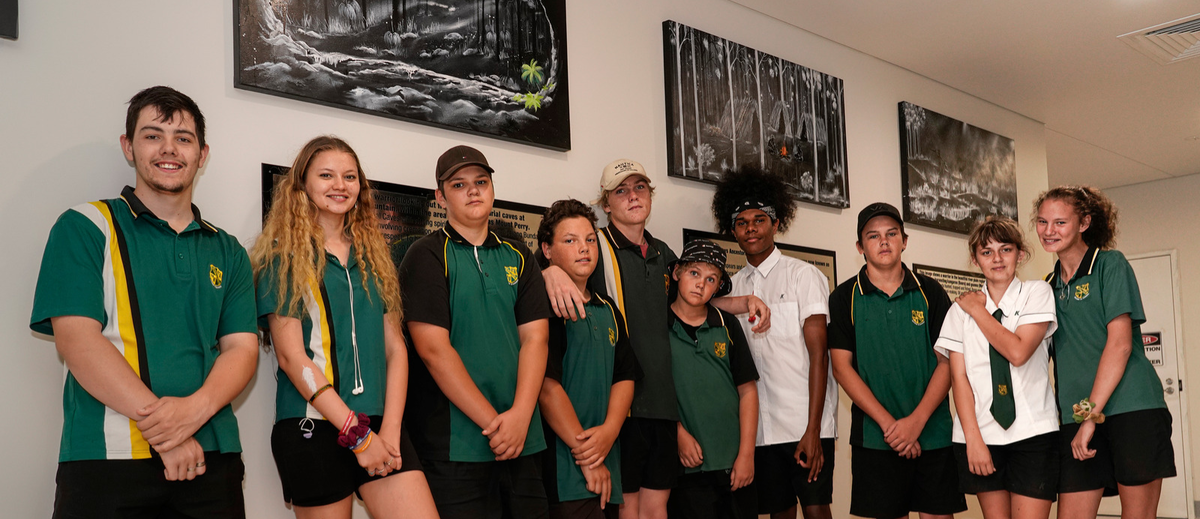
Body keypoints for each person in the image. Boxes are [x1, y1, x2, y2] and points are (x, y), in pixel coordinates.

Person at [30, 86, 259, 518]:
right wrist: (169, 434)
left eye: (183, 138)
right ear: (128, 147)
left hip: (213, 459)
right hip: (105, 460)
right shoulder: (84, 226)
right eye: (153, 135)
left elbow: (242, 350)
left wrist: (194, 412)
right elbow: (77, 341)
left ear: (202, 154)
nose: (168, 149)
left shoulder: (229, 251)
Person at [540, 159, 769, 519]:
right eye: (621, 190)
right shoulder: (594, 246)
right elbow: (556, 265)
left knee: (656, 507)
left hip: (663, 405)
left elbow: (692, 296)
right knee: (625, 506)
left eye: (640, 188)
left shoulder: (664, 253)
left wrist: (743, 302)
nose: (633, 196)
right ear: (606, 203)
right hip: (622, 406)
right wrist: (549, 271)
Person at [250, 136, 439, 518]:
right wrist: (357, 436)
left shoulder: (374, 257)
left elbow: (395, 350)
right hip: (313, 426)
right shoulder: (281, 259)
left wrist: (389, 431)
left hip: (382, 423)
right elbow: (291, 357)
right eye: (327, 175)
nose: (340, 185)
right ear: (302, 183)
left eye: (350, 176)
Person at [399, 145, 553, 519]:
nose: (473, 191)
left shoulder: (518, 256)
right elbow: (433, 351)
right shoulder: (426, 255)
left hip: (523, 440)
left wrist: (518, 417)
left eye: (481, 182)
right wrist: (494, 425)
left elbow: (536, 339)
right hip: (455, 446)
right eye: (459, 184)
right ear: (441, 196)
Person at [1034, 186, 1174, 519]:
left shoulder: (1109, 264)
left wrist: (1089, 417)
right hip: (1077, 416)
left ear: (1084, 223)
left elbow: (1120, 344)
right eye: (1042, 222)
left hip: (1131, 409)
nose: (1048, 231)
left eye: (1059, 222)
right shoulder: (1047, 285)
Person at [712, 166, 837, 519]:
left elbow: (819, 357)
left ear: (776, 223)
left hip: (805, 424)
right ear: (732, 229)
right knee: (779, 514)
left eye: (759, 219)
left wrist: (813, 430)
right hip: (761, 432)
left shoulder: (804, 275)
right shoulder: (733, 288)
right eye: (742, 222)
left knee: (816, 512)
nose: (751, 228)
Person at [828, 202, 966, 519]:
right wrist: (892, 428)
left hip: (933, 433)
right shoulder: (843, 296)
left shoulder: (930, 291)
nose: (884, 241)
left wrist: (915, 424)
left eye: (892, 233)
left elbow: (947, 363)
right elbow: (841, 368)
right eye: (873, 236)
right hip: (876, 438)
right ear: (860, 247)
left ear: (904, 240)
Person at [934, 216, 1059, 519]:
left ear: (1021, 253)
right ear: (975, 260)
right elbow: (959, 379)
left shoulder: (1037, 293)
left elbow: (1018, 352)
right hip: (981, 436)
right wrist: (973, 439)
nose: (997, 259)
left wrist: (978, 310)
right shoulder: (958, 311)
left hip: (1033, 432)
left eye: (1005, 249)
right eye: (986, 252)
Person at [536, 199, 642, 519]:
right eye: (570, 241)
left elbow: (625, 375)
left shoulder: (608, 308)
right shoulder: (544, 305)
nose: (584, 248)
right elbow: (546, 386)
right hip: (564, 469)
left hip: (606, 464)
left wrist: (610, 430)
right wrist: (589, 459)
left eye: (590, 240)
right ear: (547, 249)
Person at [665, 240, 760, 519]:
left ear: (718, 286)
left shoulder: (727, 324)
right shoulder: (658, 326)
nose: (700, 285)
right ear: (677, 273)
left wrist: (746, 455)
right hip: (687, 467)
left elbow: (748, 392)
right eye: (694, 273)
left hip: (734, 464)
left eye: (711, 279)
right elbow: (653, 391)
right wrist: (678, 434)